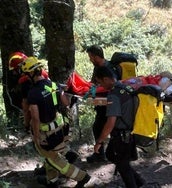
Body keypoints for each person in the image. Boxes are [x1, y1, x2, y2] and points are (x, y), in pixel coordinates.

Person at [21, 56, 90, 188]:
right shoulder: (51, 85)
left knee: (53, 159)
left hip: (45, 132)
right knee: (50, 156)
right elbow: (65, 103)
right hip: (58, 127)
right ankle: (51, 181)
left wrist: (36, 136)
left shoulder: (33, 93)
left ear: (30, 73)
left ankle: (82, 177)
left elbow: (35, 118)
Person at [93, 66, 145, 188]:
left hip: (121, 136)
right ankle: (140, 181)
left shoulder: (114, 95)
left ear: (106, 79)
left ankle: (135, 184)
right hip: (130, 132)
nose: (101, 85)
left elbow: (111, 122)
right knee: (111, 154)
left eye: (100, 82)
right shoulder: (126, 88)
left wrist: (99, 141)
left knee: (123, 166)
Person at [85, 44, 119, 163]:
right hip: (101, 103)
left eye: (90, 57)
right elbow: (94, 83)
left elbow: (112, 84)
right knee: (98, 127)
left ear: (96, 56)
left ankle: (104, 154)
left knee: (105, 127)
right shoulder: (97, 68)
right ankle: (101, 153)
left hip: (110, 102)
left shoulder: (109, 67)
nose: (90, 59)